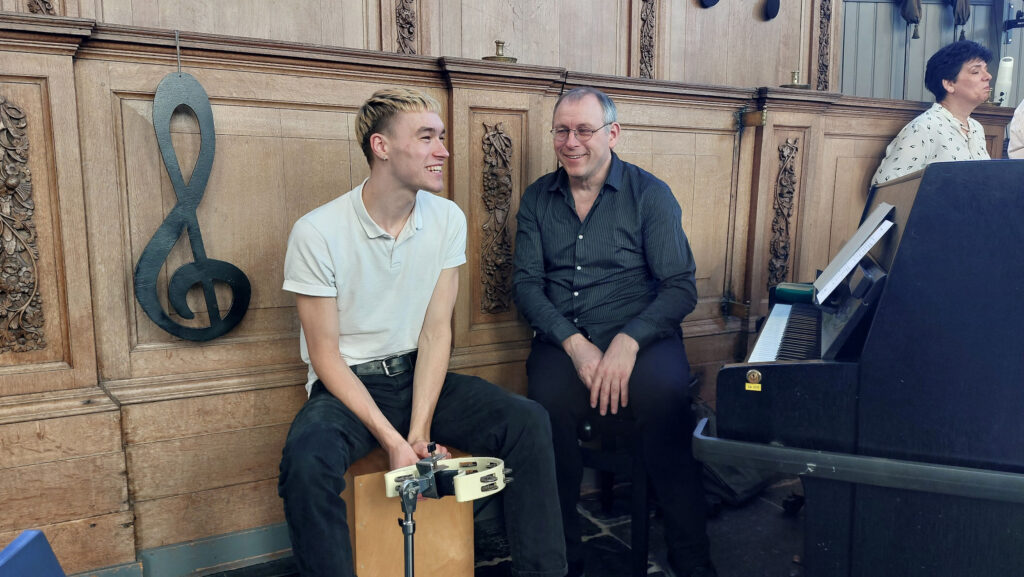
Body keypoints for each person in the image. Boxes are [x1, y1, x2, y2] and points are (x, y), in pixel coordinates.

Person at [278, 87, 566, 577]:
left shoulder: (447, 218)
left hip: (418, 374)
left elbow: (436, 333)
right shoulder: (317, 231)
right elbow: (325, 356)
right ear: (381, 146)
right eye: (427, 137)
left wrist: (418, 431)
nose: (444, 150)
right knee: (306, 463)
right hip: (346, 385)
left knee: (528, 421)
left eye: (443, 137)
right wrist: (393, 441)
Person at [512, 87, 715, 577]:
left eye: (584, 130)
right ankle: (562, 558)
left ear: (613, 133)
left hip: (641, 339)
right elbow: (525, 284)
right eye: (562, 130)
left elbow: (679, 287)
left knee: (667, 405)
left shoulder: (650, 195)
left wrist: (627, 341)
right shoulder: (539, 197)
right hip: (566, 342)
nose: (571, 141)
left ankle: (692, 557)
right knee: (541, 417)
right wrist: (575, 345)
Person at [872, 40, 993, 186]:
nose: (988, 76)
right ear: (949, 84)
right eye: (976, 71)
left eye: (986, 69)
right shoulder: (924, 128)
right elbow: (883, 188)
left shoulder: (976, 128)